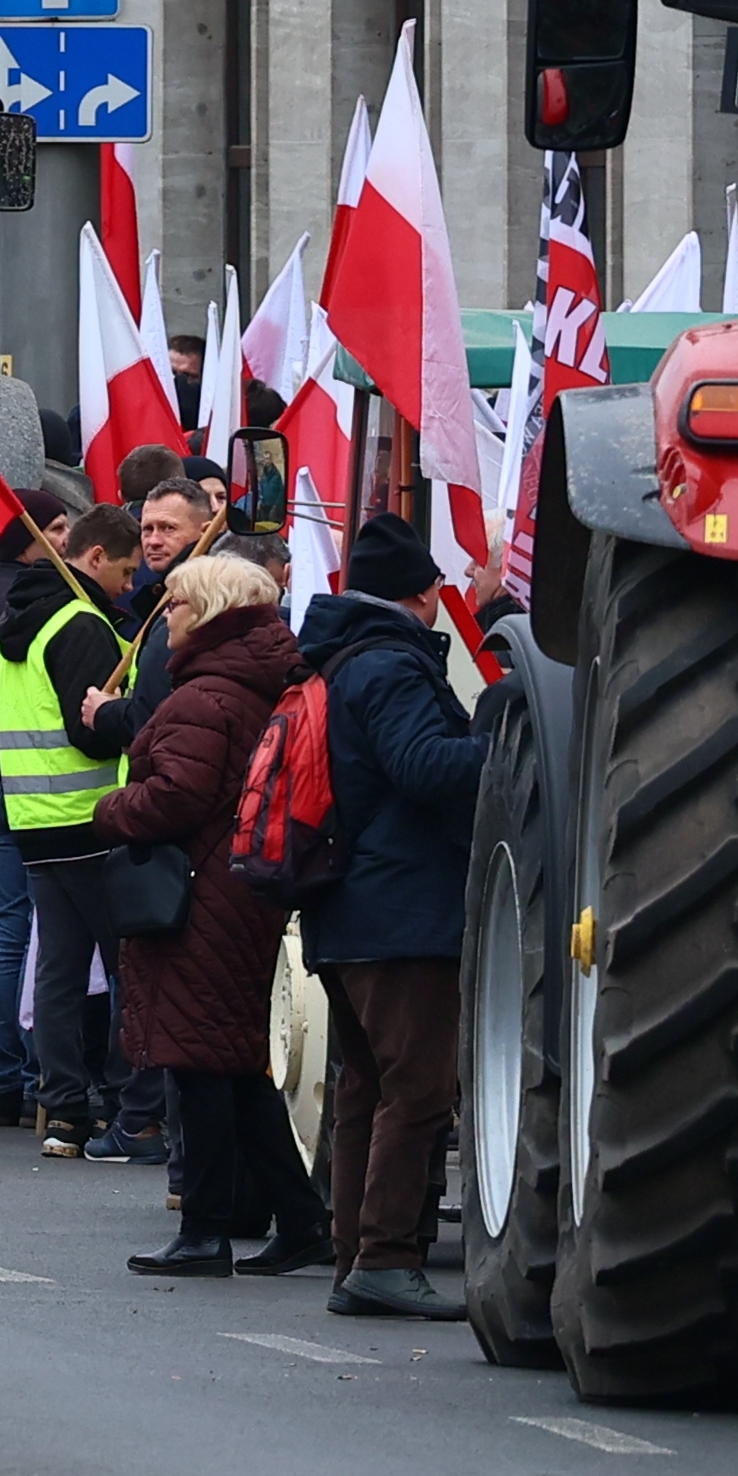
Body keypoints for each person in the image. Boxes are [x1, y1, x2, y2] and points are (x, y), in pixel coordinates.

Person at [98, 549, 328, 1280]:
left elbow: (176, 797)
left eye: (178, 606)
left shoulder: (206, 694)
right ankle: (299, 1221)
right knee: (230, 1063)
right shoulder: (256, 681)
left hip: (199, 895)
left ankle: (205, 1230)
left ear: (213, 611)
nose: (167, 619)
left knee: (197, 1061)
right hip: (238, 889)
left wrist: (108, 809)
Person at [299, 507, 486, 1320]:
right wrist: (503, 737)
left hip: (347, 908)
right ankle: (385, 1257)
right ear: (427, 596)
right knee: (417, 1090)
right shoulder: (394, 667)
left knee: (363, 1089)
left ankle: (356, 1257)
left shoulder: (338, 660)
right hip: (401, 911)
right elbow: (423, 767)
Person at [0, 496, 145, 1159]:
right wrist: (130, 713)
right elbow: (91, 733)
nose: (130, 586)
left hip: (33, 818)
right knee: (126, 968)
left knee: (58, 969)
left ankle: (64, 1110)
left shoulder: (15, 621)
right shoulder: (81, 624)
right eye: (126, 571)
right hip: (91, 816)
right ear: (94, 556)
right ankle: (126, 1105)